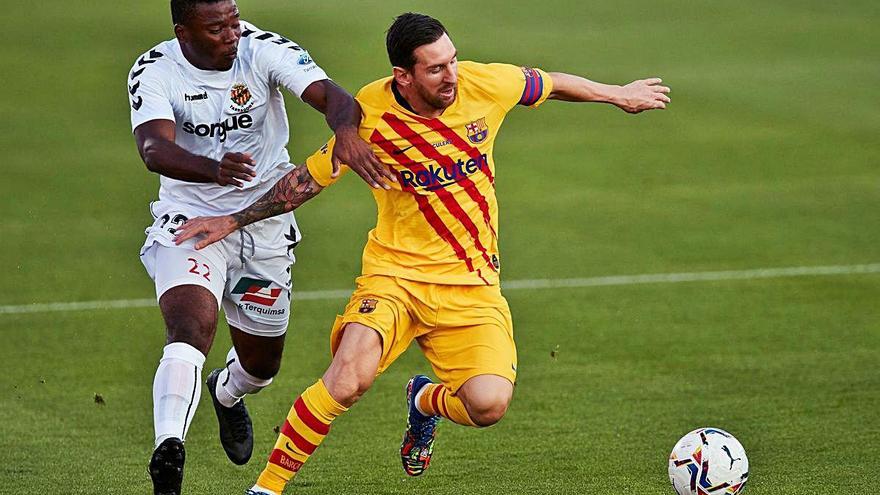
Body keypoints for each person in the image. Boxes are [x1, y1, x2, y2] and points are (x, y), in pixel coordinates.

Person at [174, 12, 670, 495]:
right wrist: (233, 220)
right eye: (436, 68)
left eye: (452, 60)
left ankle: (424, 402)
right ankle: (267, 488)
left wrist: (616, 95)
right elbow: (309, 178)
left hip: (472, 286)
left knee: (489, 405)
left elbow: (551, 83)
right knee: (347, 380)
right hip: (395, 279)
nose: (451, 74)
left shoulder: (484, 85)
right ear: (403, 76)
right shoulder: (370, 113)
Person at [127, 1, 388, 494]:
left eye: (233, 19)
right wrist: (213, 168)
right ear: (184, 32)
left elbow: (334, 97)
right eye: (216, 27)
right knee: (190, 326)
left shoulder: (261, 47)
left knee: (263, 366)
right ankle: (168, 453)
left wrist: (346, 133)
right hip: (193, 221)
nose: (231, 32)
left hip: (265, 220)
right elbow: (153, 149)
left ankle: (227, 395)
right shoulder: (155, 69)